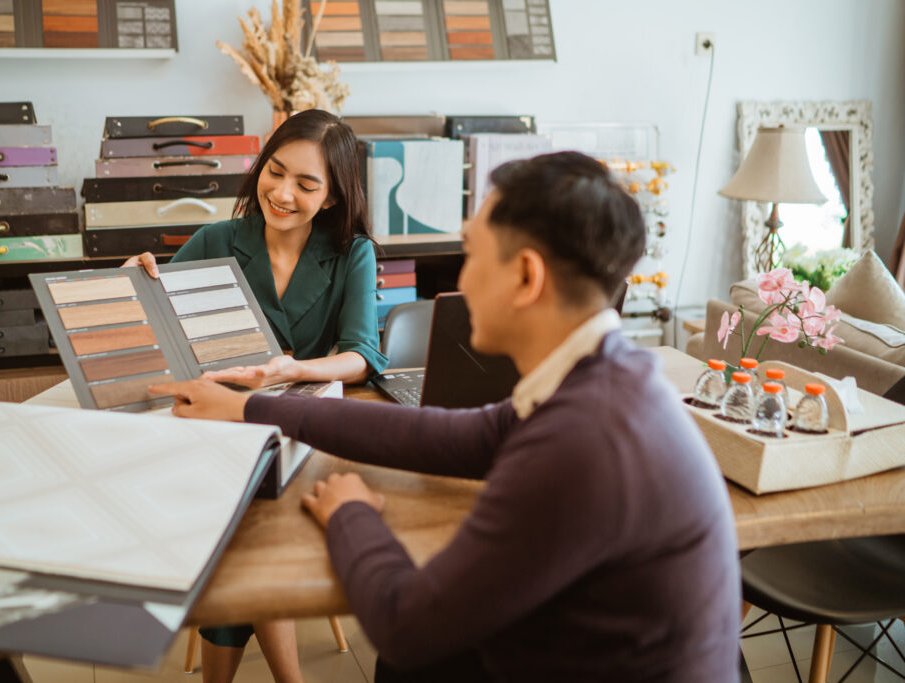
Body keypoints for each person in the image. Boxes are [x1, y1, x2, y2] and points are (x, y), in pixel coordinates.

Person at [150, 151, 742, 682]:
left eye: (471, 253)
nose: (459, 279)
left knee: (406, 661)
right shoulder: (607, 375)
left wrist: (353, 516)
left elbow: (407, 625)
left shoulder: (583, 443)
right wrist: (253, 407)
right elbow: (451, 435)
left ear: (526, 276)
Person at [125, 109, 388, 683]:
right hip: (223, 432)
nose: (283, 192)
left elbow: (361, 355)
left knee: (239, 521)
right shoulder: (216, 240)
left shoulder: (353, 253)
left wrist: (293, 368)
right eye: (275, 172)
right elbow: (155, 334)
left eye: (306, 183)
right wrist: (132, 282)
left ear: (335, 197)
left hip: (307, 433)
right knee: (238, 510)